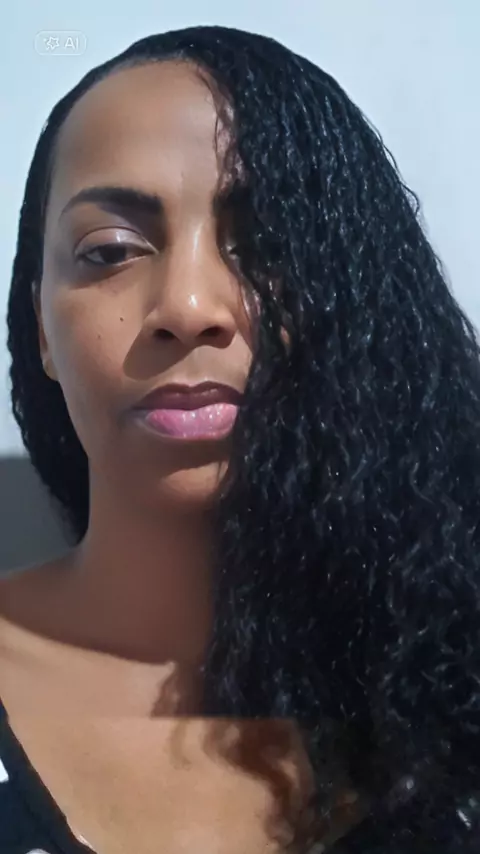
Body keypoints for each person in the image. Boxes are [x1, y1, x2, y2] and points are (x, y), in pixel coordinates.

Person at [0, 22, 479, 854]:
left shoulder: (449, 694)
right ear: (41, 327)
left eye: (268, 246)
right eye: (110, 251)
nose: (189, 307)